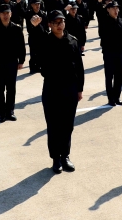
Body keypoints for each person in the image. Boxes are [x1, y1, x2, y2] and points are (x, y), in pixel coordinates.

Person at [32, 10, 84, 174]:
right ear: (50, 25)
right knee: (54, 125)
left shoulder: (73, 41)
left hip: (70, 89)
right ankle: (55, 158)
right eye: (56, 22)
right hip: (52, 88)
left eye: (61, 21)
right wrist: (35, 29)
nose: (60, 25)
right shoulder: (45, 41)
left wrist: (80, 89)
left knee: (67, 125)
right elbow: (36, 58)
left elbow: (80, 68)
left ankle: (65, 156)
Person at [0, 4, 26, 122]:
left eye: (7, 13)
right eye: (3, 13)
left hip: (12, 62)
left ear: (11, 14)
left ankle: (10, 111)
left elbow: (21, 46)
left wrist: (21, 61)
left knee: (11, 88)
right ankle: (1, 113)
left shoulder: (17, 28)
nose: (5, 15)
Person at [97, 1, 122, 105]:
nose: (116, 10)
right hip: (109, 53)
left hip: (119, 53)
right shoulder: (104, 21)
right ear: (108, 9)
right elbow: (102, 33)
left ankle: (117, 97)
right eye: (113, 8)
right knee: (109, 76)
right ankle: (110, 98)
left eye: (117, 8)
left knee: (118, 76)